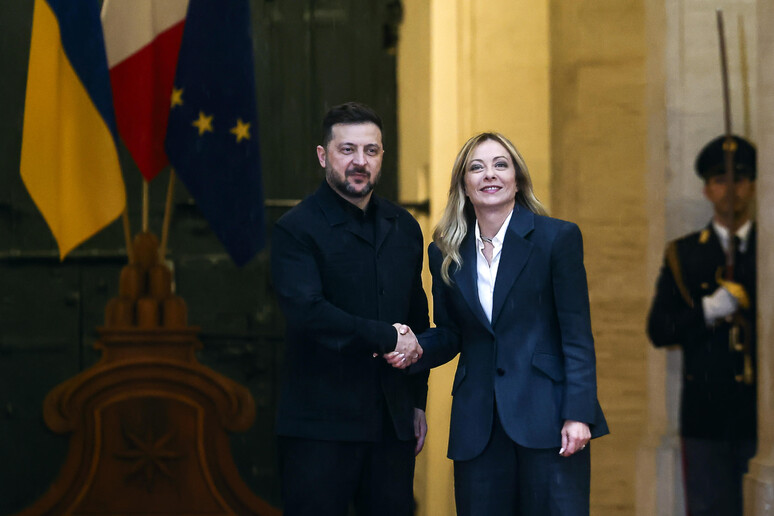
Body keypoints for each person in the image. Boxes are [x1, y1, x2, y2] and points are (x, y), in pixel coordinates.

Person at [389, 132, 608, 515]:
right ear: (464, 185)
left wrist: (579, 413)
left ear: (517, 179)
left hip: (549, 418)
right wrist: (415, 347)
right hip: (478, 425)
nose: (489, 174)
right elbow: (451, 333)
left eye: (500, 165)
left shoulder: (556, 238)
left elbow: (577, 336)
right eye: (477, 167)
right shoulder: (445, 252)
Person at [270, 101, 429, 516]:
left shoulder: (405, 228)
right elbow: (309, 312)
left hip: (391, 426)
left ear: (382, 156)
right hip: (319, 427)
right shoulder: (296, 229)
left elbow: (417, 321)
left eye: (371, 150)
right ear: (323, 156)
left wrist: (417, 403)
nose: (360, 161)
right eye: (347, 149)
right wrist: (387, 337)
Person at [647, 135, 757, 516]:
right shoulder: (685, 254)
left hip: (761, 415)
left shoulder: (768, 248)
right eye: (720, 180)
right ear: (707, 189)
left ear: (752, 185)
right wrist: (708, 310)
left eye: (739, 178)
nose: (731, 189)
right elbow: (660, 329)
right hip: (706, 416)